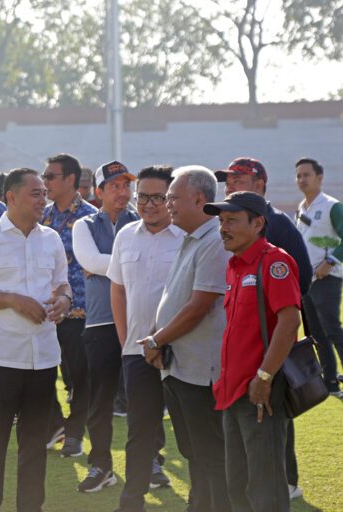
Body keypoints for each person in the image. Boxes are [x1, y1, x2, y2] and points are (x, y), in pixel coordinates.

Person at [0, 168, 71, 512]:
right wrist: (11, 299)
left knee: (35, 446)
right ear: (11, 196)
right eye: (35, 193)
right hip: (0, 360)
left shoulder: (50, 238)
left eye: (44, 193)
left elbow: (62, 284)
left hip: (43, 358)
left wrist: (64, 301)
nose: (44, 199)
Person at [215, 156, 312, 499]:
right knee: (238, 487)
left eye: (232, 221)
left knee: (266, 489)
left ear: (258, 224)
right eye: (221, 221)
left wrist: (265, 377)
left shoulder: (275, 262)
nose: (223, 227)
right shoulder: (234, 266)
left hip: (259, 391)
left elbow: (289, 321)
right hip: (232, 392)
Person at [138, 166, 231, 512]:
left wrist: (154, 341)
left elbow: (199, 306)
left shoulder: (214, 241)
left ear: (200, 199)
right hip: (180, 366)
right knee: (194, 450)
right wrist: (157, 335)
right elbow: (177, 297)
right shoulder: (192, 237)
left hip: (200, 370)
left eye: (173, 198)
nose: (167, 204)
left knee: (210, 452)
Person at [107, 165, 182, 512]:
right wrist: (127, 343)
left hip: (183, 353)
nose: (149, 204)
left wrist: (163, 340)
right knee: (139, 432)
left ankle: (206, 499)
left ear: (171, 200)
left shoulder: (187, 238)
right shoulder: (125, 236)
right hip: (137, 354)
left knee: (192, 433)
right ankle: (131, 502)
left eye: (157, 197)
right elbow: (118, 290)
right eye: (143, 197)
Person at [71, 161, 141, 492]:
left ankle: (150, 463)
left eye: (126, 185)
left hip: (140, 322)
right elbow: (88, 260)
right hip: (100, 323)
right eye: (114, 186)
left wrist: (105, 265)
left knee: (145, 398)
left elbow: (99, 264)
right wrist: (132, 264)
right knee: (99, 401)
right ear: (98, 192)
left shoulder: (142, 222)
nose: (122, 192)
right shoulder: (83, 224)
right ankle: (101, 465)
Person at [40, 154, 97, 453]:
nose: (45, 182)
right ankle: (56, 424)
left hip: (80, 311)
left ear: (70, 180)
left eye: (51, 176)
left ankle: (74, 431)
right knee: (41, 371)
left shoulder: (91, 219)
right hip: (46, 312)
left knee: (79, 377)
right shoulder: (42, 217)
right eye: (45, 176)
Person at [295, 157, 343, 398]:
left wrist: (330, 262)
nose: (302, 179)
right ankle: (331, 384)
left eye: (306, 174)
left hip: (327, 278)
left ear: (320, 178)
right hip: (308, 281)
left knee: (333, 330)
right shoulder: (302, 208)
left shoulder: (332, 206)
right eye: (299, 175)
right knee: (317, 334)